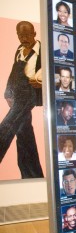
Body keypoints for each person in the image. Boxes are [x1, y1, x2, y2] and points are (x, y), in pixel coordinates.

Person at [0, 21, 43, 178]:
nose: (23, 38)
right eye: (20, 35)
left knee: (8, 125)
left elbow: (55, 72)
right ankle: (32, 175)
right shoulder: (19, 49)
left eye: (27, 35)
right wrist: (7, 92)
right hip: (17, 93)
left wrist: (42, 80)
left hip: (30, 94)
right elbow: (14, 71)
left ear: (34, 34)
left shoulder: (43, 50)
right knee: (24, 135)